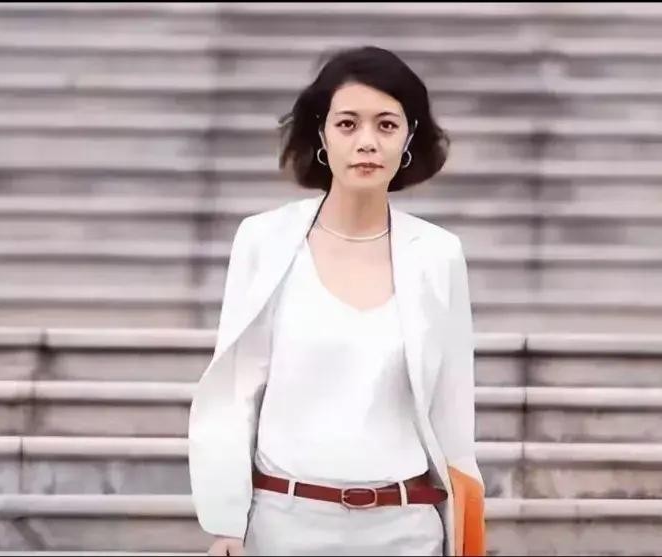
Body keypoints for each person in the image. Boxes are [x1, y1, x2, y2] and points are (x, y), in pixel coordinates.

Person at [188, 46, 485, 557]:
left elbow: (454, 412)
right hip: (283, 527)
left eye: (386, 125)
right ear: (322, 135)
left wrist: (462, 537)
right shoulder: (264, 240)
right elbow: (236, 393)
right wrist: (226, 524)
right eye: (348, 124)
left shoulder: (438, 254)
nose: (367, 141)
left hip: (406, 531)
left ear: (409, 137)